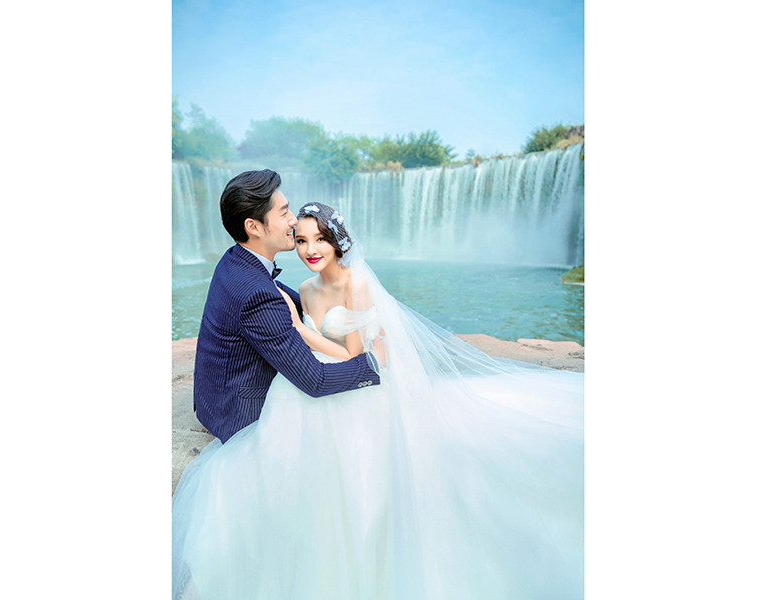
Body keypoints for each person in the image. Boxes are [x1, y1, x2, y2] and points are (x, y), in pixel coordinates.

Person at [173, 201, 584, 600]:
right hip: (326, 371)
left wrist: (301, 329)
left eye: (320, 239)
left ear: (338, 242)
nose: (310, 249)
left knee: (329, 427)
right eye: (301, 240)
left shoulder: (355, 284)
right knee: (291, 411)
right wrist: (299, 327)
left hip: (359, 370)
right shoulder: (301, 289)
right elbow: (298, 340)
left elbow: (354, 355)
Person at [192, 170, 381, 443]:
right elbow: (317, 382)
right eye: (283, 213)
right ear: (253, 227)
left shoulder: (235, 259)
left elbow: (281, 300)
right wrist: (375, 363)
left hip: (211, 400)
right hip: (239, 412)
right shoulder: (257, 295)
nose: (293, 220)